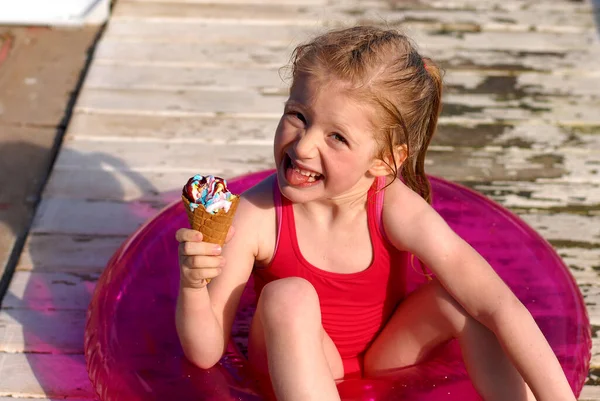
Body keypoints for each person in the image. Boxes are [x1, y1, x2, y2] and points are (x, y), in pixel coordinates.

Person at [175, 26, 575, 401]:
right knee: (288, 295)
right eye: (298, 115)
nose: (304, 146)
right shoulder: (258, 216)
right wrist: (193, 287)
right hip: (302, 359)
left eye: (337, 136)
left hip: (388, 355)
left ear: (384, 161)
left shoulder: (395, 208)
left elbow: (500, 305)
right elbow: (206, 354)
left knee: (461, 297)